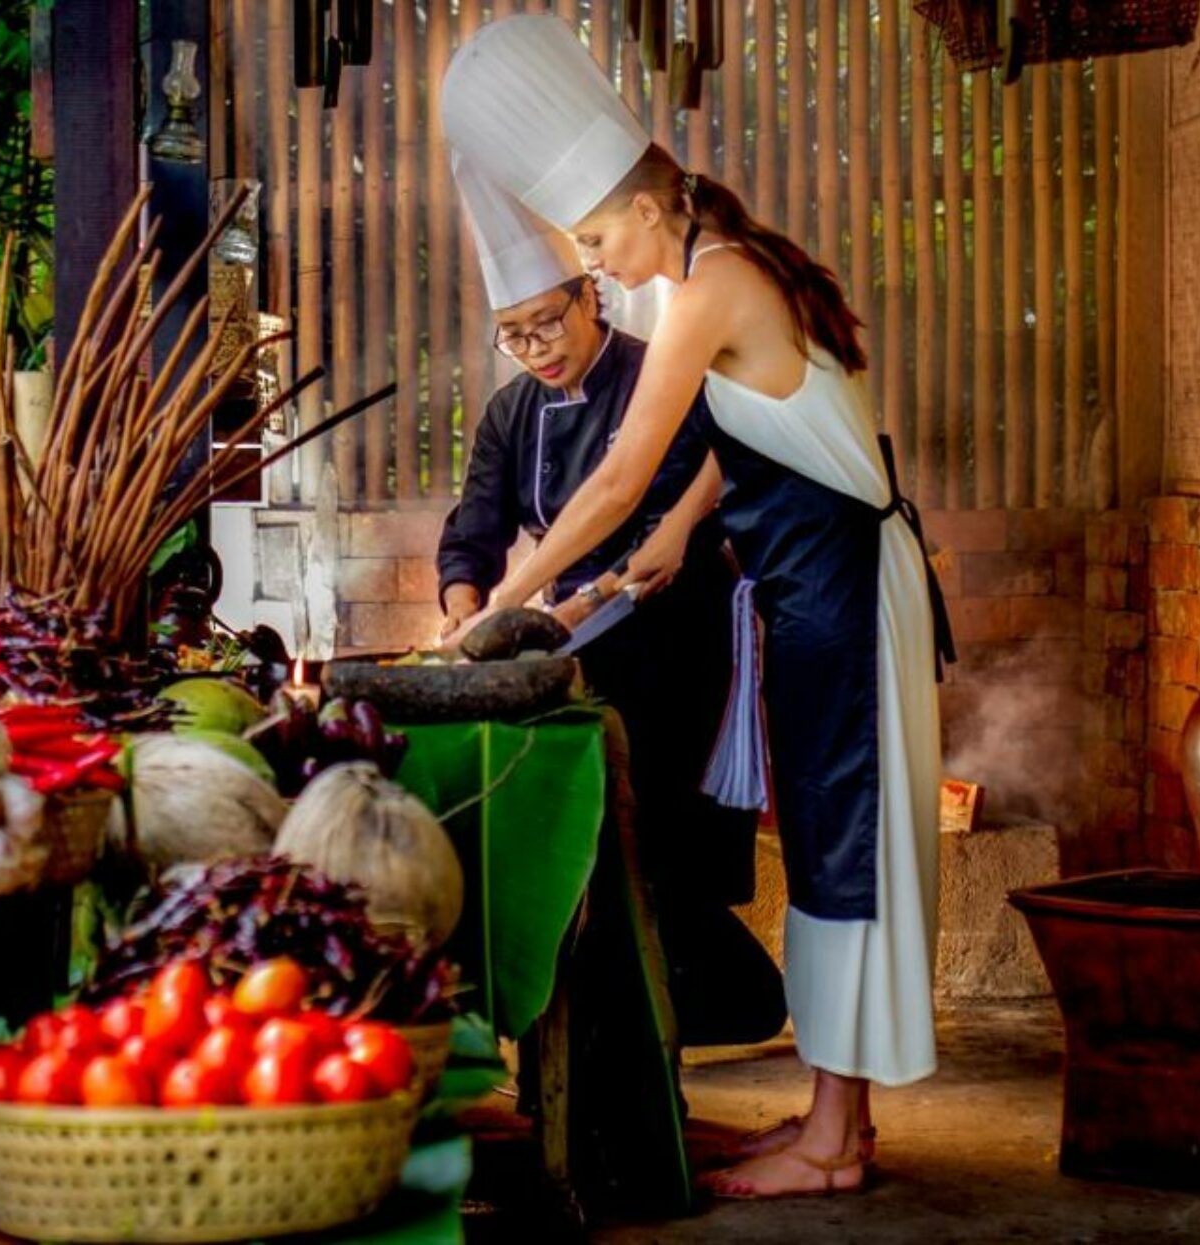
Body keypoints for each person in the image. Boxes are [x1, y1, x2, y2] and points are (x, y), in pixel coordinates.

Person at [441, 14, 954, 1200]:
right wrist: (679, 533)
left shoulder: (707, 288)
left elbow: (621, 472)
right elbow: (746, 435)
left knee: (849, 854)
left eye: (604, 235)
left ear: (655, 205)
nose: (603, 260)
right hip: (819, 597)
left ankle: (834, 1145)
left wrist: (494, 609)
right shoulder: (726, 271)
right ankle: (837, 1125)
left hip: (845, 598)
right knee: (829, 852)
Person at [439, 154, 785, 1048]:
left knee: (661, 834)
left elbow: (675, 489)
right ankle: (625, 1004)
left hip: (674, 630)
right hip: (577, 638)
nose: (537, 347)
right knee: (596, 832)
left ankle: (698, 1005)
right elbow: (474, 524)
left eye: (548, 322)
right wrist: (464, 599)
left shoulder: (657, 364)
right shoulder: (513, 413)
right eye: (515, 336)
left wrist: (542, 605)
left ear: (589, 297)